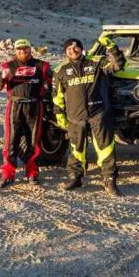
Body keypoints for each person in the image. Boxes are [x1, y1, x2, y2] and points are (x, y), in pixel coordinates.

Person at [52, 36, 126, 196]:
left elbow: (118, 65)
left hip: (99, 114)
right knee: (76, 150)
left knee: (106, 149)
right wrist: (59, 115)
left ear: (81, 48)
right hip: (75, 117)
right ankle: (74, 178)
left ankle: (110, 181)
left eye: (75, 47)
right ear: (66, 52)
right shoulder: (61, 71)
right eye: (69, 49)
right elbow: (57, 96)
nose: (73, 50)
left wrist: (112, 47)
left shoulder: (97, 63)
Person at [0, 39, 52, 188]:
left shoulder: (42, 66)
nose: (22, 52)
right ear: (15, 51)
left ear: (30, 50)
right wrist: (1, 77)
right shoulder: (8, 66)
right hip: (14, 105)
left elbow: (55, 83)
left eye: (25, 49)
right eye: (19, 50)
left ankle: (32, 173)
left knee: (33, 142)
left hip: (34, 106)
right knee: (10, 141)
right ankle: (8, 174)